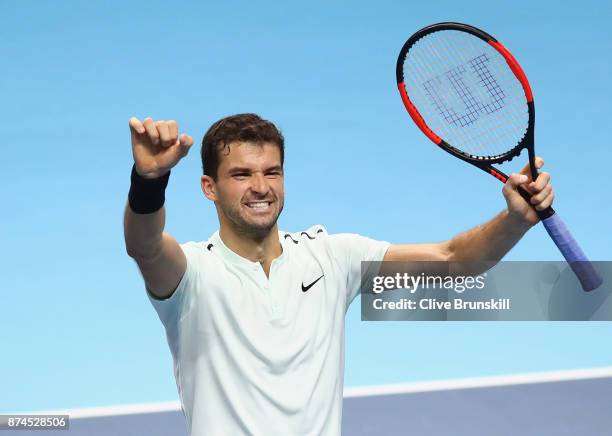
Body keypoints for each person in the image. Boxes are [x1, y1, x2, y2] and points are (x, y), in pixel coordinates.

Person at [124, 113, 554, 436]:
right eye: (241, 175)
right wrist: (149, 179)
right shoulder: (193, 271)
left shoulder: (330, 257)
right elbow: (144, 244)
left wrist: (514, 220)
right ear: (209, 187)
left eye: (272, 172)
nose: (261, 187)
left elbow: (455, 259)